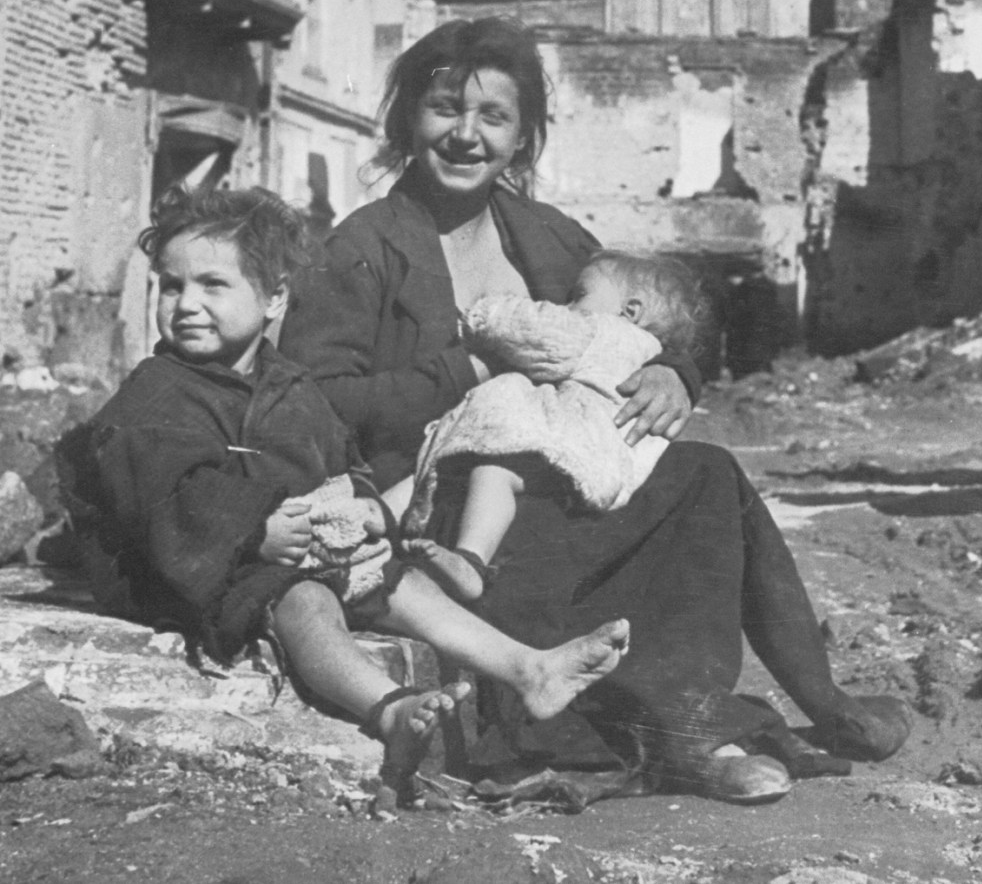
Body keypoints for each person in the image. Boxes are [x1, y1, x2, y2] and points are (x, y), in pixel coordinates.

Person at [281, 17, 910, 803]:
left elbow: (640, 314)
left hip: (549, 478)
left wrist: (675, 373)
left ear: (523, 136)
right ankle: (670, 738)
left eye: (494, 117)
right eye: (445, 109)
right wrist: (469, 367)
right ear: (409, 117)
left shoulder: (542, 234)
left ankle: (794, 705)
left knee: (705, 475)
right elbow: (314, 402)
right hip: (439, 510)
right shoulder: (362, 247)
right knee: (537, 536)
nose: (466, 135)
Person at [61, 187, 631, 809]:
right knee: (302, 599)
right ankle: (387, 709)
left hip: (286, 544)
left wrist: (360, 506)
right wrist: (253, 531)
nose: (186, 305)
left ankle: (529, 669)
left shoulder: (288, 384)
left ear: (274, 296)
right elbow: (167, 495)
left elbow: (336, 456)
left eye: (212, 286)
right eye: (171, 287)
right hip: (182, 567)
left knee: (395, 578)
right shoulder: (157, 395)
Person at [395, 251, 721, 594]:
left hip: (574, 455)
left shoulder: (601, 333)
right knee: (461, 455)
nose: (566, 307)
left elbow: (533, 329)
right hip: (598, 464)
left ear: (630, 311)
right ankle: (385, 515)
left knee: (492, 471)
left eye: (578, 296)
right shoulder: (642, 353)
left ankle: (471, 559)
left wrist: (480, 315)